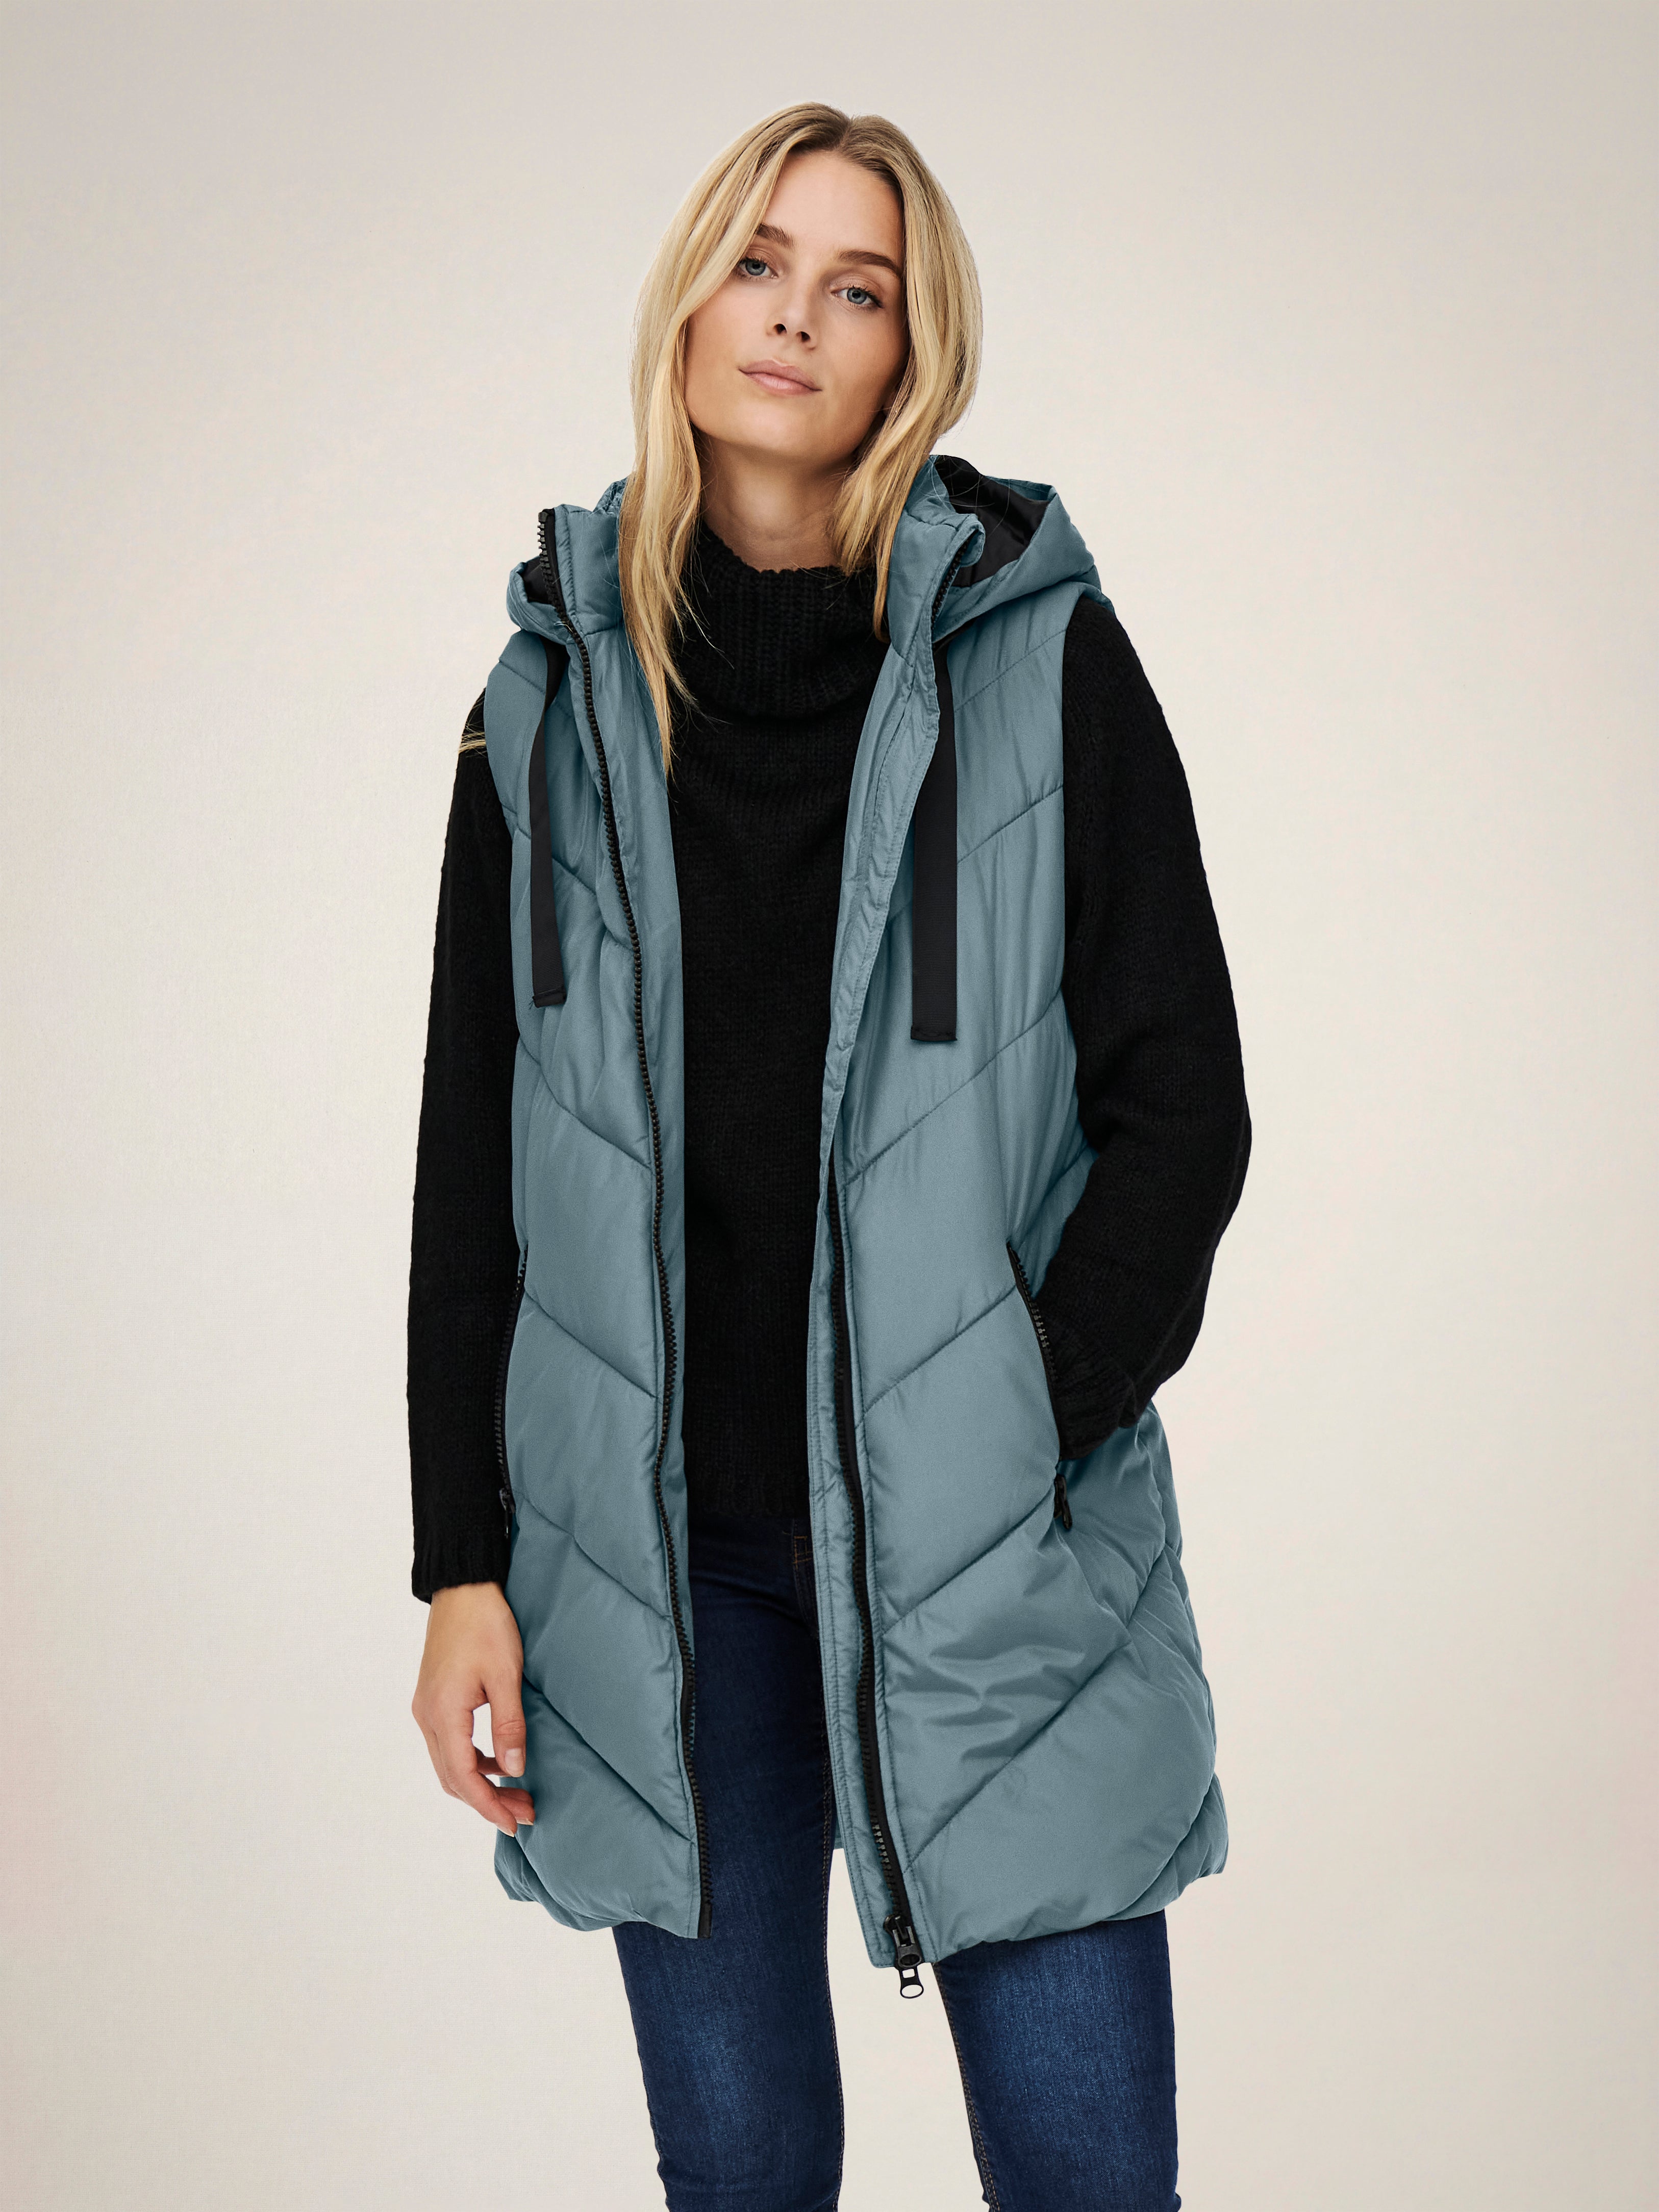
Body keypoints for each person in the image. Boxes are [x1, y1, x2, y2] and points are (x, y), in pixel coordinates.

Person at [407, 101, 1249, 2212]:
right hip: (658, 1579)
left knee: (1088, 2179)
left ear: (908, 354)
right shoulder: (542, 709)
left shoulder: (1041, 662)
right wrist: (459, 1564)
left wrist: (1021, 1412)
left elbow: (1183, 1106)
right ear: (690, 304)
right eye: (758, 262)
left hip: (995, 1560)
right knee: (744, 2178)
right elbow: (471, 1167)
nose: (794, 316)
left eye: (856, 288)